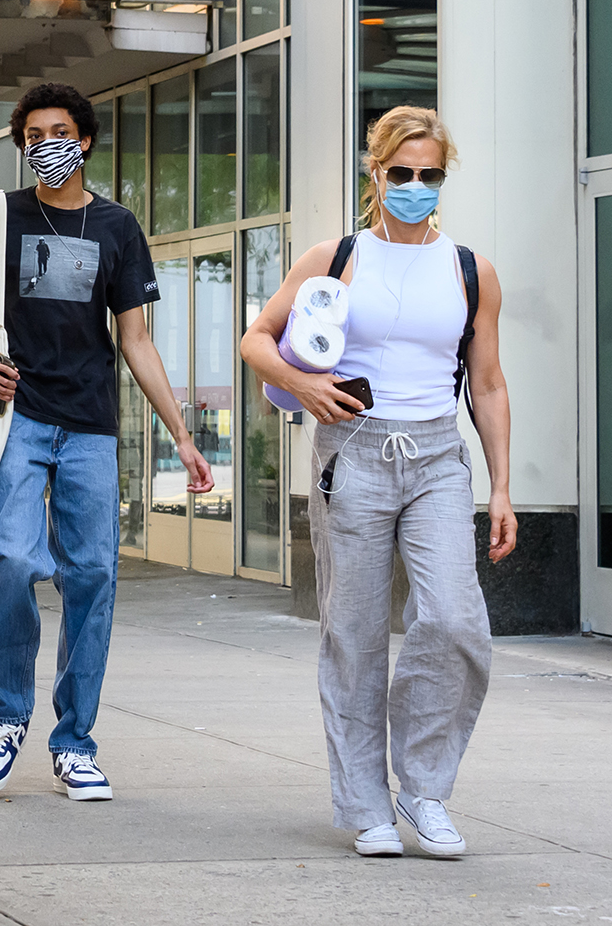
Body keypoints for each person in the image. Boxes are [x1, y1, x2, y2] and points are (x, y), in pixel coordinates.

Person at [238, 105, 515, 860]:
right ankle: (366, 806)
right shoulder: (337, 256)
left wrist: (500, 488)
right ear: (376, 173)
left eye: (431, 176)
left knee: (454, 620)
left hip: (435, 458)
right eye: (403, 174)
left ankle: (423, 790)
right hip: (351, 451)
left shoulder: (469, 269)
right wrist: (305, 383)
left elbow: (486, 384)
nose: (417, 187)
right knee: (355, 634)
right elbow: (255, 339)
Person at [0, 82, 214, 803]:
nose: (45, 144)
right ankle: (5, 717)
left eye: (58, 131)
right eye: (32, 135)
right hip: (18, 419)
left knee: (93, 575)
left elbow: (135, 340)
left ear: (87, 139)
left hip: (91, 426)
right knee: (12, 560)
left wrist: (183, 439)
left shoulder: (117, 227)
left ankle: (74, 744)